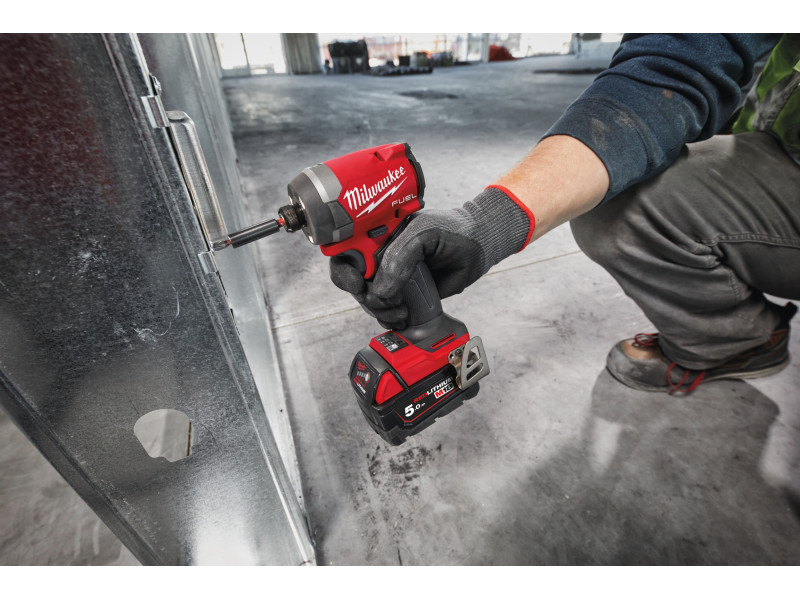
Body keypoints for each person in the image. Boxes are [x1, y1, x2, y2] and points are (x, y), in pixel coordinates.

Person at [330, 33, 800, 395]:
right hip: (783, 146)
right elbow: (677, 62)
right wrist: (484, 225)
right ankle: (738, 339)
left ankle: (729, 343)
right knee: (619, 201)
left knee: (621, 205)